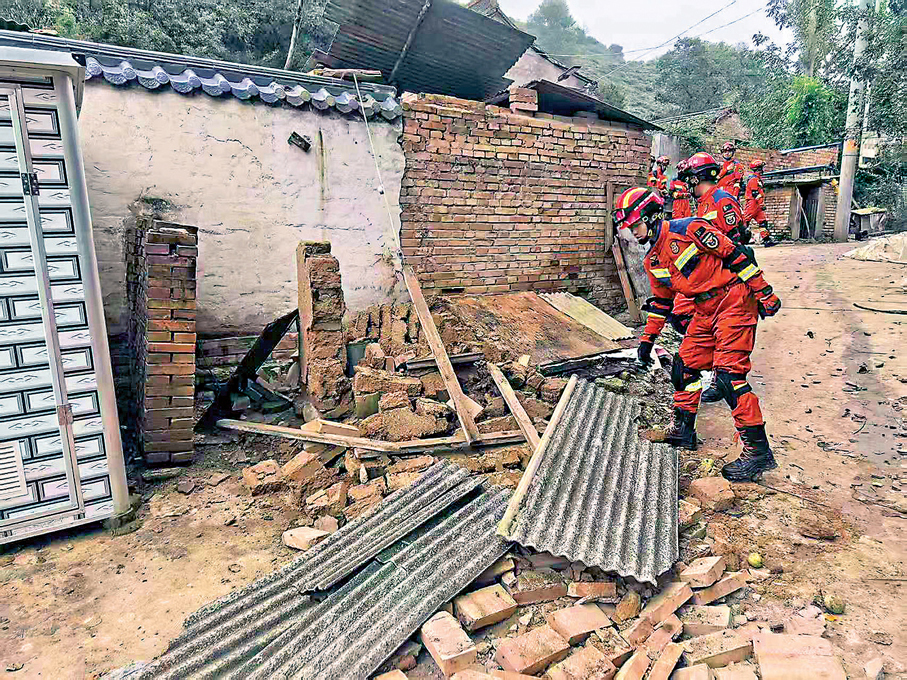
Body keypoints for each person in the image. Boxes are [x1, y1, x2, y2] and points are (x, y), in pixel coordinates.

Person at [613, 186, 782, 482]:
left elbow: (737, 256)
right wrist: (646, 341)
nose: (633, 234)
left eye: (636, 225)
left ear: (652, 218)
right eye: (629, 229)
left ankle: (758, 453)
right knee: (684, 367)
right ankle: (683, 431)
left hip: (735, 299)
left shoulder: (690, 229)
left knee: (730, 377)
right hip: (704, 309)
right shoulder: (652, 261)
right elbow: (662, 302)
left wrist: (764, 293)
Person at [680, 152, 751, 245]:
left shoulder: (721, 200)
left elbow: (735, 243)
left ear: (694, 179)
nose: (687, 185)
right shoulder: (705, 201)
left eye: (688, 180)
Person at [742, 160, 777, 247]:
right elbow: (755, 193)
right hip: (753, 203)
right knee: (745, 222)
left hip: (756, 204)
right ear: (758, 169)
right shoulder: (754, 179)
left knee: (762, 222)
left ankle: (766, 240)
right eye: (761, 168)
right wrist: (761, 204)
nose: (762, 170)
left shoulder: (757, 179)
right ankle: (740, 240)